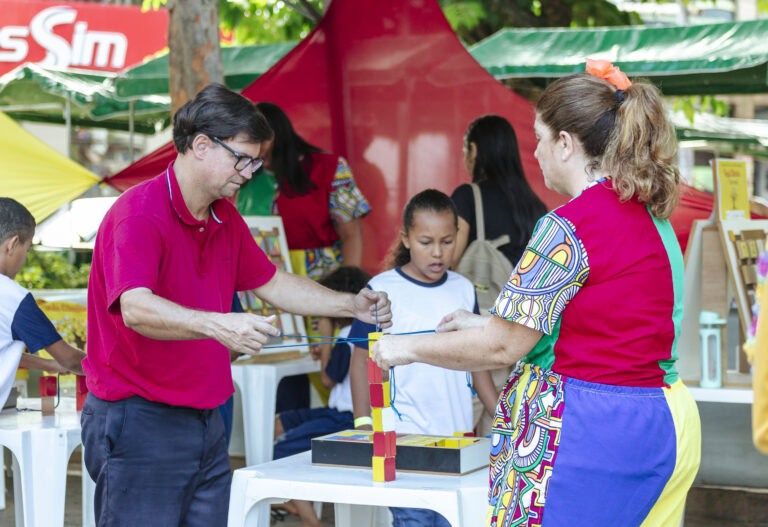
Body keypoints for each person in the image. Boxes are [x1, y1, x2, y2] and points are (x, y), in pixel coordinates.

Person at [370, 60, 702, 526]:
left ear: (565, 144)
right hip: (666, 422)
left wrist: (403, 347)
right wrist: (483, 322)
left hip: (590, 432)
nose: (537, 152)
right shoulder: (653, 216)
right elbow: (601, 322)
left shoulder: (568, 226)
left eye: (540, 138)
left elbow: (502, 347)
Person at [80, 83, 391, 527]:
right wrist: (218, 325)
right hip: (140, 415)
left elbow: (273, 282)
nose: (249, 173)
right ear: (201, 146)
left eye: (256, 162)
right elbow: (136, 308)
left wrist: (350, 304)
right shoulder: (140, 212)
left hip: (206, 417)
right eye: (242, 159)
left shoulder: (224, 216)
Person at [348, 189, 497, 527]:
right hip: (403, 441)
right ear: (406, 238)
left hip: (458, 440)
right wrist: (362, 425)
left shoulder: (463, 288)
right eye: (426, 242)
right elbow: (360, 361)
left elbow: (477, 363)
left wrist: (503, 419)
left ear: (458, 235)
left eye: (447, 241)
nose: (438, 252)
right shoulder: (381, 289)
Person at [245, 101, 372, 412]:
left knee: (335, 372)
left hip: (324, 281)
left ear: (272, 136)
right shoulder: (245, 175)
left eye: (254, 140)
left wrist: (348, 292)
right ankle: (289, 432)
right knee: (283, 369)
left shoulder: (328, 168)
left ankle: (350, 428)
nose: (249, 150)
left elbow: (351, 233)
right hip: (268, 284)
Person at [271, 265, 371, 527]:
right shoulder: (355, 334)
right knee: (278, 425)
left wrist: (326, 339)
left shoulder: (346, 335)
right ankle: (291, 500)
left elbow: (327, 379)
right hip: (335, 411)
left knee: (282, 448)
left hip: (345, 418)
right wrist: (327, 349)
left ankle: (310, 520)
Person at [0, 197, 85, 407]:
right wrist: (114, 369)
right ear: (13, 244)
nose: (24, 259)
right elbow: (70, 359)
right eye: (27, 250)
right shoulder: (13, 297)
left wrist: (48, 364)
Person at [451, 115, 547, 267]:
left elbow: (450, 258)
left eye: (465, 151)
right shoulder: (537, 208)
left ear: (473, 150)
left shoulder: (466, 197)